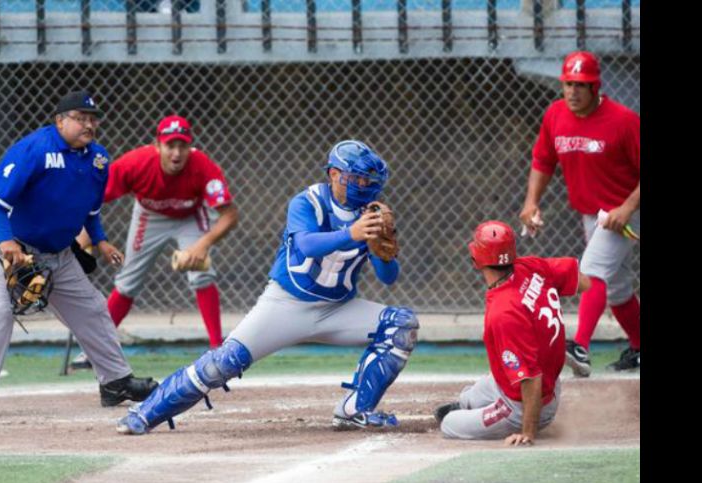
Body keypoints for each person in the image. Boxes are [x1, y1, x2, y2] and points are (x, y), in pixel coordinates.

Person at [115, 140, 419, 435]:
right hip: (285, 304)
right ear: (334, 175)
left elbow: (389, 278)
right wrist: (352, 233)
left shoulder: (371, 213)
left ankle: (355, 410)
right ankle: (145, 413)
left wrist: (383, 250)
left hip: (338, 309)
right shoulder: (308, 201)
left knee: (401, 324)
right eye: (358, 179)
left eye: (370, 181)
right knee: (223, 364)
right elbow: (306, 244)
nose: (365, 186)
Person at [0, 90, 158, 406]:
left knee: (94, 310)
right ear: (59, 121)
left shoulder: (97, 159)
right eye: (80, 118)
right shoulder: (34, 149)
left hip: (59, 255)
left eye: (92, 119)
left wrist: (101, 240)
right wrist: (6, 242)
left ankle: (115, 383)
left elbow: (91, 212)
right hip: (10, 252)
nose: (89, 125)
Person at [70, 114, 238, 369]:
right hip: (150, 215)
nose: (177, 153)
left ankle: (217, 349)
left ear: (190, 147)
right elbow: (92, 198)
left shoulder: (202, 166)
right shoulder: (135, 163)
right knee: (127, 282)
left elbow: (229, 215)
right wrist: (83, 233)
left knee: (202, 275)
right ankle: (95, 350)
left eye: (182, 146)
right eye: (170, 145)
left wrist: (202, 244)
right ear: (157, 145)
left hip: (189, 216)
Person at [519, 51, 640, 377]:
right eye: (568, 84)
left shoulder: (624, 120)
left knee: (591, 270)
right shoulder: (556, 115)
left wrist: (627, 208)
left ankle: (580, 348)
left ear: (596, 87)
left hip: (628, 209)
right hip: (592, 213)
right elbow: (543, 160)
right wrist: (532, 202)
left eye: (581, 85)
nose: (572, 91)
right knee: (617, 289)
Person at [434, 221, 590, 444]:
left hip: (522, 405)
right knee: (468, 397)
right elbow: (583, 281)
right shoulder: (530, 266)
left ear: (476, 261)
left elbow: (531, 378)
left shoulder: (504, 312)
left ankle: (503, 418)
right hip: (543, 379)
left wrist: (528, 432)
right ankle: (469, 406)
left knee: (448, 423)